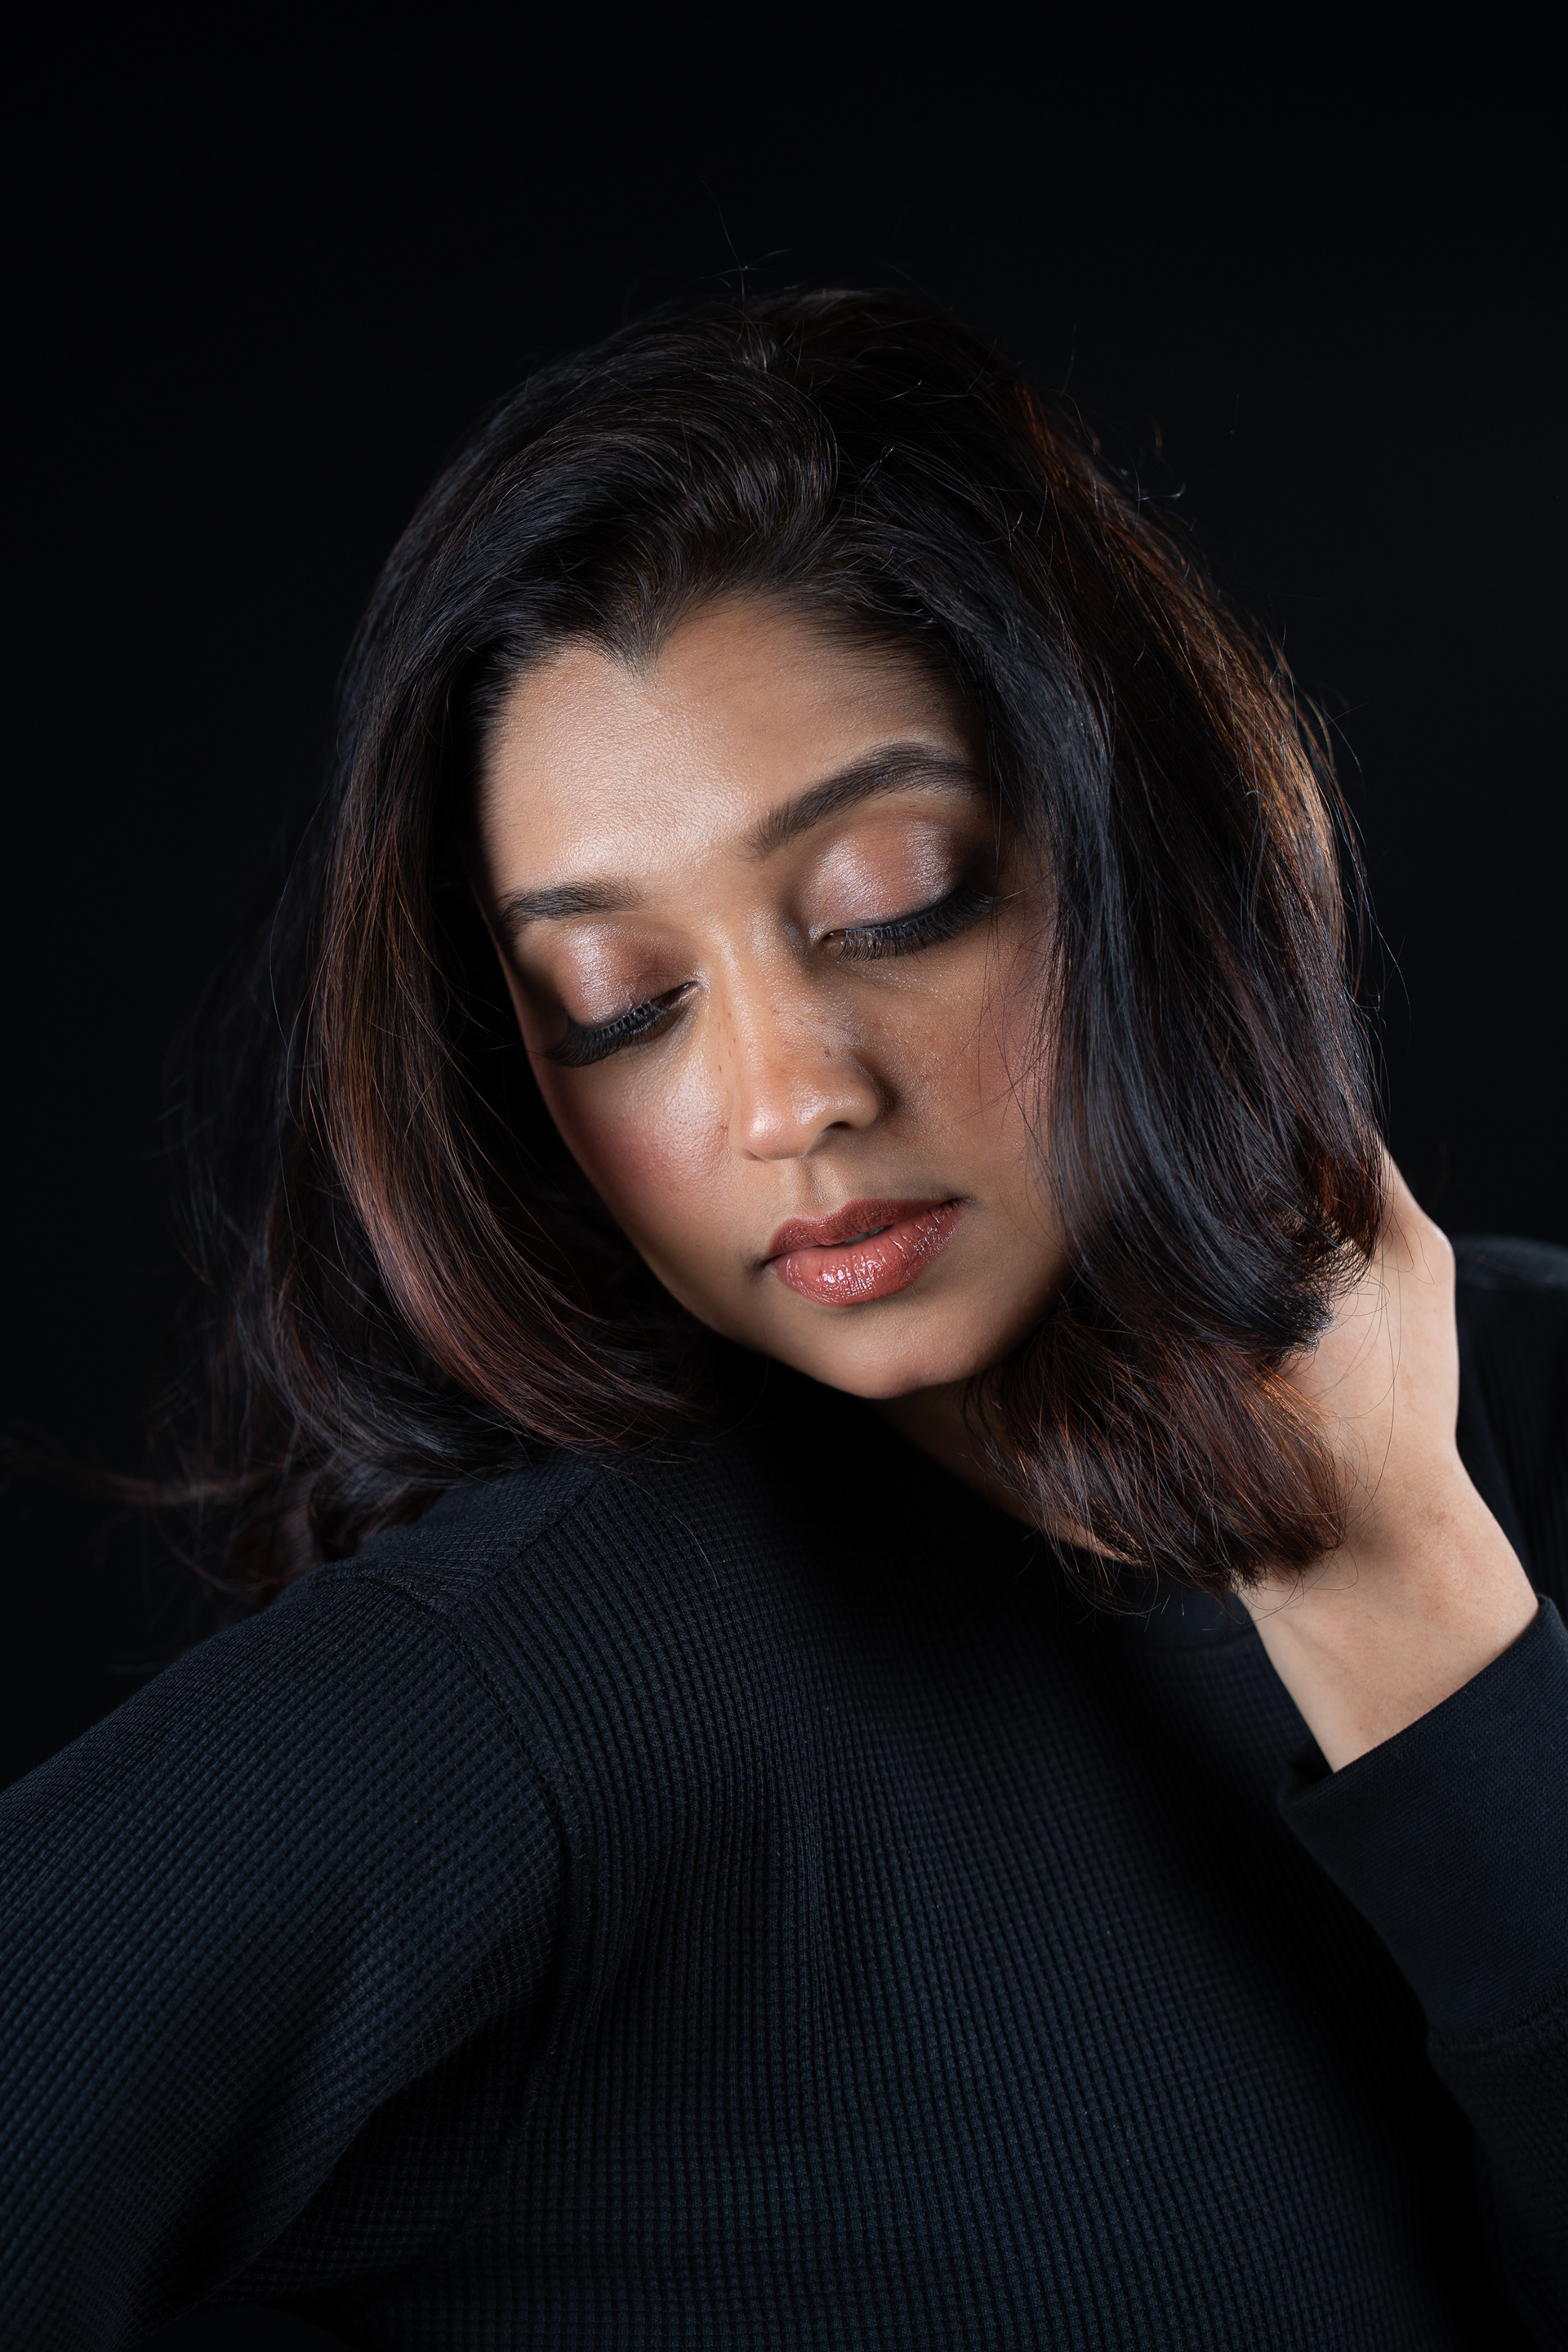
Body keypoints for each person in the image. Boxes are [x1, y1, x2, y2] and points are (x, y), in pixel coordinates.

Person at [2, 291, 1563, 2352]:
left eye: (893, 899)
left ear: (1146, 852)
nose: (783, 1098)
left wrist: (1410, 1593)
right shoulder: (541, 1684)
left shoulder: (1536, 1388)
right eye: (619, 1005)